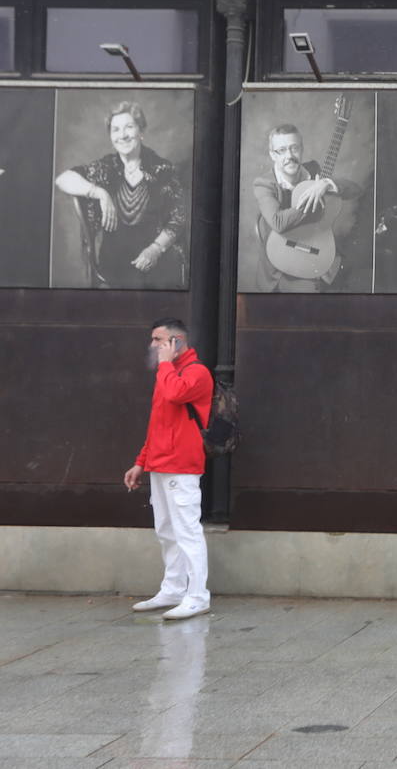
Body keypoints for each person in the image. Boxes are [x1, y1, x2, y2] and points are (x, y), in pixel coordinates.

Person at [122, 318, 214, 620]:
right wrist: (141, 461)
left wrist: (164, 365)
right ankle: (173, 590)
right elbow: (158, 423)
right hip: (161, 463)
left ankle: (197, 596)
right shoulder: (168, 373)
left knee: (187, 531)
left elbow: (176, 394)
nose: (153, 346)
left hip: (182, 465)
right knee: (166, 531)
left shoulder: (196, 372)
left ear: (176, 342)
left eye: (158, 340)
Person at [54, 101, 186, 289]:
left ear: (141, 132)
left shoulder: (162, 169)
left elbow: (178, 219)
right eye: (115, 130)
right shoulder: (105, 168)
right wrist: (100, 193)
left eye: (129, 127)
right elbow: (62, 179)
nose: (122, 135)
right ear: (110, 136)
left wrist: (155, 249)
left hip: (156, 264)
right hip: (114, 267)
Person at [252, 123, 362, 292]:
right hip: (282, 265)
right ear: (272, 155)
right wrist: (312, 203)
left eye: (294, 148)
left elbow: (356, 190)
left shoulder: (314, 171)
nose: (289, 155)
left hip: (318, 253)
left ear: (302, 149)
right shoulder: (264, 183)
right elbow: (278, 222)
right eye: (282, 150)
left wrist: (326, 184)